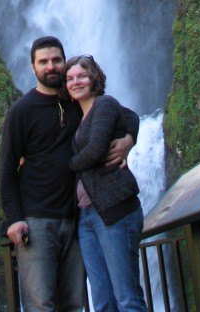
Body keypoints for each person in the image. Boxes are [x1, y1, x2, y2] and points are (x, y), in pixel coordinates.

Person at [0, 37, 139, 312]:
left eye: (56, 60)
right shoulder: (21, 111)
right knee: (42, 304)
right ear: (33, 67)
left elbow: (128, 115)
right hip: (38, 221)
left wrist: (128, 140)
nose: (51, 66)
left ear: (64, 63)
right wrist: (14, 219)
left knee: (75, 303)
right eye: (43, 62)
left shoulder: (77, 100)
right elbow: (6, 170)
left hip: (78, 219)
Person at [65, 55, 149, 312]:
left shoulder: (104, 105)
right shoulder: (76, 116)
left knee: (126, 298)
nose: (75, 82)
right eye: (70, 78)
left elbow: (98, 149)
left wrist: (65, 167)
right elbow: (130, 117)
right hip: (87, 216)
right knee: (102, 301)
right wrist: (129, 136)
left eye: (82, 76)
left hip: (115, 210)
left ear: (94, 78)